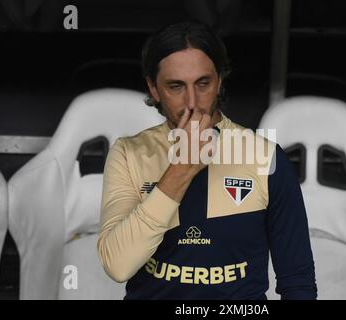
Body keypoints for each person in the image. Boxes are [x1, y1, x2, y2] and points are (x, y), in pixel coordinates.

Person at [97, 21, 317, 300]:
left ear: (219, 82)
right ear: (153, 88)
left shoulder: (266, 157)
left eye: (203, 83)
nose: (192, 102)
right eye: (176, 86)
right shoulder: (128, 153)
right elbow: (118, 266)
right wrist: (180, 170)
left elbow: (298, 283)